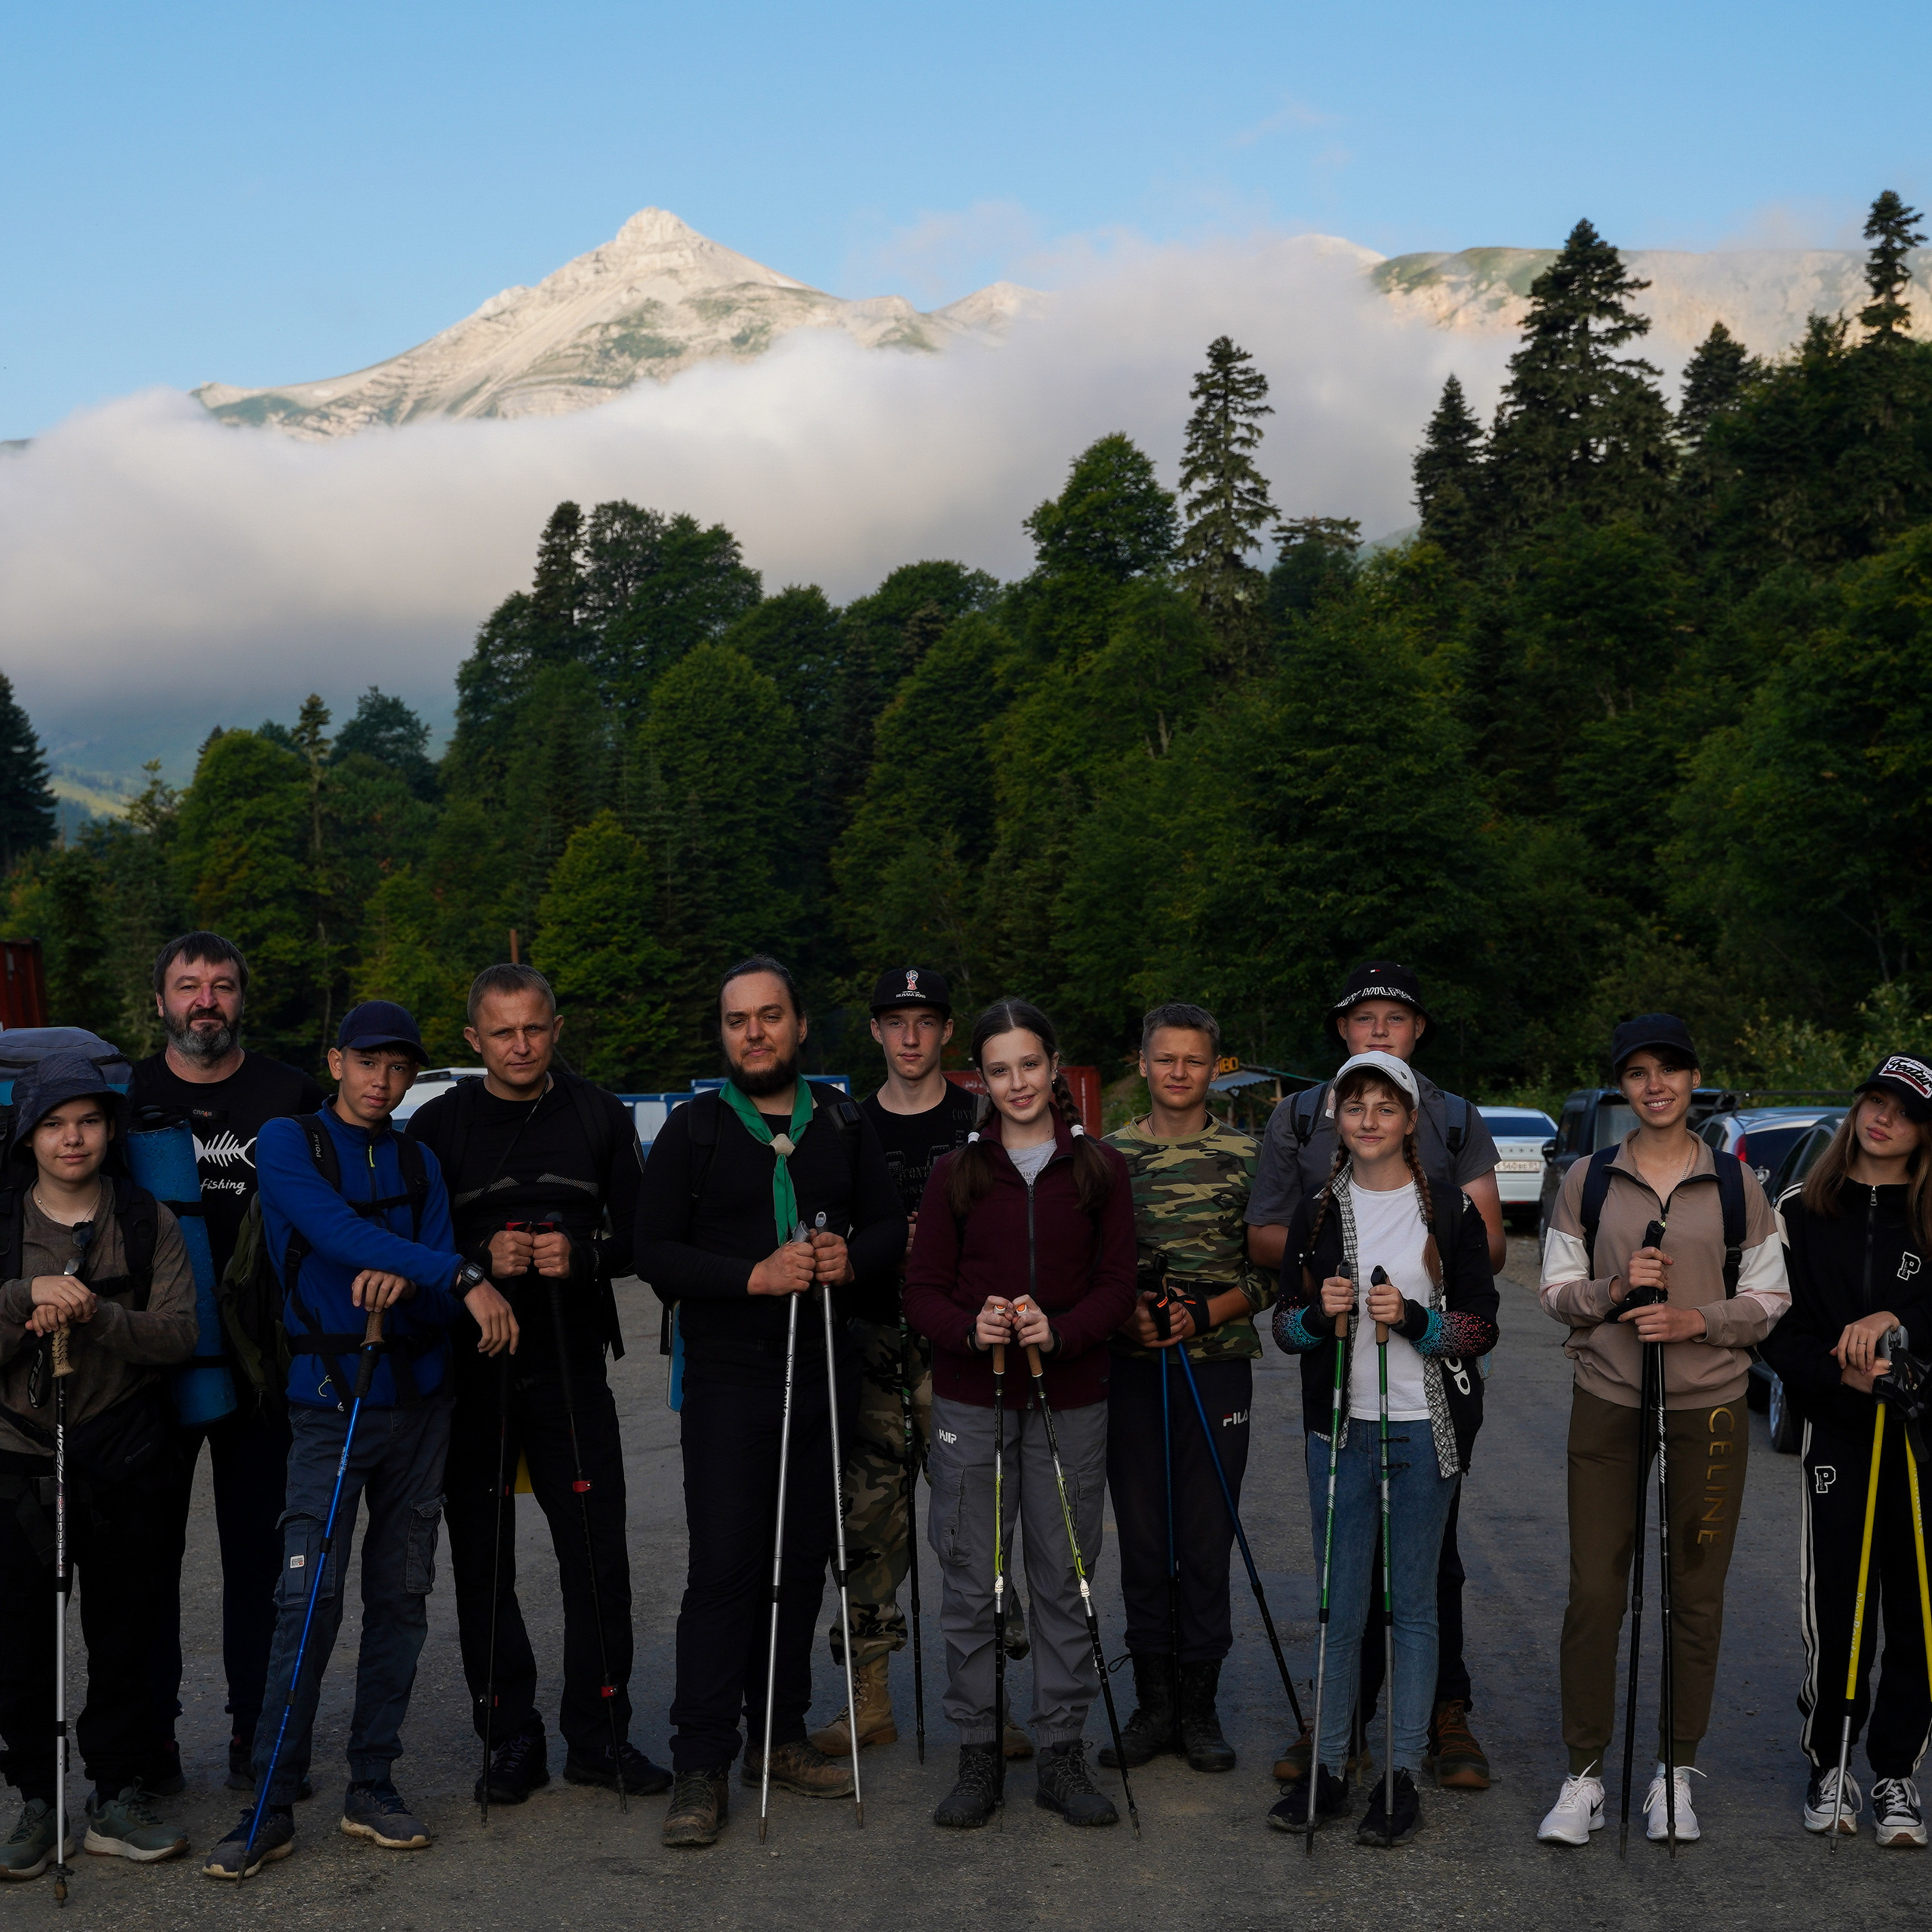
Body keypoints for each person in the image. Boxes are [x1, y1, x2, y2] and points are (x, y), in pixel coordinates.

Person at [202, 1001, 518, 1879]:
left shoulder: (418, 1160)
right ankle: (271, 1797)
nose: (382, 1080)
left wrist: (425, 1275)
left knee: (403, 1597)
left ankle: (372, 1782)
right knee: (309, 1600)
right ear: (335, 1059)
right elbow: (330, 1234)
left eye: (399, 1067)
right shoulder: (287, 1142)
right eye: (368, 1062)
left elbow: (419, 1274)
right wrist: (454, 1274)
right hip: (326, 1408)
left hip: (419, 1406)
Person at [635, 956, 905, 1850]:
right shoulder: (695, 1130)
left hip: (825, 1369)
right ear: (723, 1034)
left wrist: (849, 1260)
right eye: (737, 1020)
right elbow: (655, 1252)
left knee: (798, 1567)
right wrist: (751, 1276)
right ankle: (701, 1761)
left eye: (770, 1016)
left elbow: (888, 1228)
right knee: (725, 1573)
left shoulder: (841, 1120)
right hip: (727, 1379)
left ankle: (779, 1738)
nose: (754, 1032)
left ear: (798, 1027)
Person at [408, 964, 669, 1806]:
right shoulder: (439, 1125)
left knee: (596, 1553)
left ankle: (601, 1734)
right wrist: (480, 1263)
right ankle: (509, 1734)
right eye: (502, 1031)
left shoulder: (598, 1113)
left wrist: (582, 1256)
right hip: (474, 1371)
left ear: (557, 1028)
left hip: (570, 1362)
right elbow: (418, 1246)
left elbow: (641, 1236)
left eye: (535, 1028)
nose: (520, 1045)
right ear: (471, 1041)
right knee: (484, 1559)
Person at [1248, 961, 1504, 1790]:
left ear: (1408, 1117)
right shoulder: (1318, 1214)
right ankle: (1330, 1761)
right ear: (1337, 1115)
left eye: (1383, 1105)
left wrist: (1418, 1322)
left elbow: (1480, 1325)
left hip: (1424, 1427)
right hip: (1340, 1428)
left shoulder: (1449, 1211)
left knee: (1418, 1603)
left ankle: (1400, 1768)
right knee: (1341, 1601)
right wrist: (1319, 1315)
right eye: (1353, 1105)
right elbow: (1285, 1328)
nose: (1367, 1118)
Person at [1535, 1014, 1788, 1850]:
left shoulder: (1733, 1181)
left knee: (1694, 1592)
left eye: (1669, 1070)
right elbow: (1554, 1286)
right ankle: (1583, 1775)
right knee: (1596, 1591)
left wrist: (1695, 1318)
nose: (1654, 1085)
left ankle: (1674, 1771)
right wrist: (1612, 1292)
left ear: (1692, 1080)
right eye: (1638, 1072)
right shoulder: (1590, 1177)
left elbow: (1770, 1299)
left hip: (1707, 1406)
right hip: (1608, 1396)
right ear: (1622, 1086)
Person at [903, 998, 1137, 1831]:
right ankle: (976, 1756)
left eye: (1029, 1064)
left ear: (1054, 1066)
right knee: (972, 1577)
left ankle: (1061, 1754)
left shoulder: (1101, 1169)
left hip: (1069, 1400)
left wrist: (1062, 1328)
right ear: (981, 1078)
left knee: (1064, 1577)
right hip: (974, 1397)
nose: (1016, 1083)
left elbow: (1118, 1286)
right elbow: (921, 1291)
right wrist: (972, 1326)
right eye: (998, 1070)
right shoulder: (954, 1173)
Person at [810, 965, 1028, 1759]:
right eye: (894, 1021)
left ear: (944, 1031)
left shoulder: (985, 1116)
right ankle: (867, 1696)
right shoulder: (842, 1122)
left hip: (963, 1349)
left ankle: (992, 1696)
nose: (909, 1036)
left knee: (976, 1523)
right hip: (870, 1343)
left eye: (925, 1021)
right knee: (864, 1523)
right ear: (874, 1030)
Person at [128, 931, 326, 1798]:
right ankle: (150, 1740)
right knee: (143, 1561)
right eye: (187, 986)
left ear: (242, 998)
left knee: (260, 1559)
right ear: (160, 1002)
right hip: (151, 1364)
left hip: (262, 1367)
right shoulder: (126, 1095)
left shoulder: (289, 1095)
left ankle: (257, 1727)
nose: (204, 1000)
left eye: (221, 985)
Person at [0, 1053, 198, 1878]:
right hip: (19, 1454)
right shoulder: (4, 1225)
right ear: (29, 1137)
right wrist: (26, 1299)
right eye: (53, 1123)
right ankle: (39, 1802)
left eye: (86, 1120)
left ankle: (117, 1793)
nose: (71, 1137)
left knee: (128, 1630)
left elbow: (180, 1333)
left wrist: (101, 1315)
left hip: (125, 1450)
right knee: (18, 1635)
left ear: (109, 1130)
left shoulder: (148, 1218)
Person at [1760, 1054, 1932, 1845]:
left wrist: (1895, 1321)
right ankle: (1830, 1763)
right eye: (1873, 1099)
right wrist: (1845, 1374)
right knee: (1838, 1607)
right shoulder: (1800, 1207)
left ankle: (1895, 1774)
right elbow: (1775, 1331)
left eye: (1902, 1109)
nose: (1882, 1117)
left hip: (1921, 1441)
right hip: (1837, 1431)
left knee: (1919, 1613)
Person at [1100, 1002, 1272, 1775]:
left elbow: (1272, 1272)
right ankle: (1152, 1706)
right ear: (1141, 1063)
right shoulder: (1106, 1158)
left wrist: (1203, 1311)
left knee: (1203, 1540)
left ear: (1215, 1066)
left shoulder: (1249, 1152)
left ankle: (1200, 1709)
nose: (1177, 1072)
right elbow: (1088, 1269)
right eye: (1163, 1058)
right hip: (1131, 1369)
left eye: (1193, 1060)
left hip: (1215, 1364)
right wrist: (1128, 1315)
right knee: (1143, 1541)